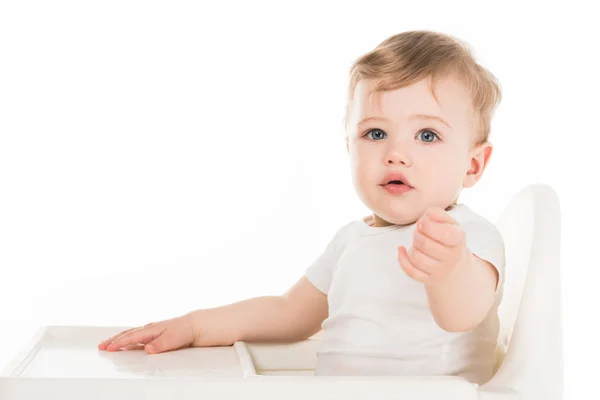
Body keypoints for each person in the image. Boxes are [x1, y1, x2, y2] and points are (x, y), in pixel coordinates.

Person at [98, 30, 505, 385]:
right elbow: (290, 313)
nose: (396, 154)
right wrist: (195, 325)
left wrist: (449, 270)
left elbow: (462, 315)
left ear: (473, 165)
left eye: (428, 135)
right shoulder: (351, 240)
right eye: (376, 132)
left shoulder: (466, 238)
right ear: (349, 147)